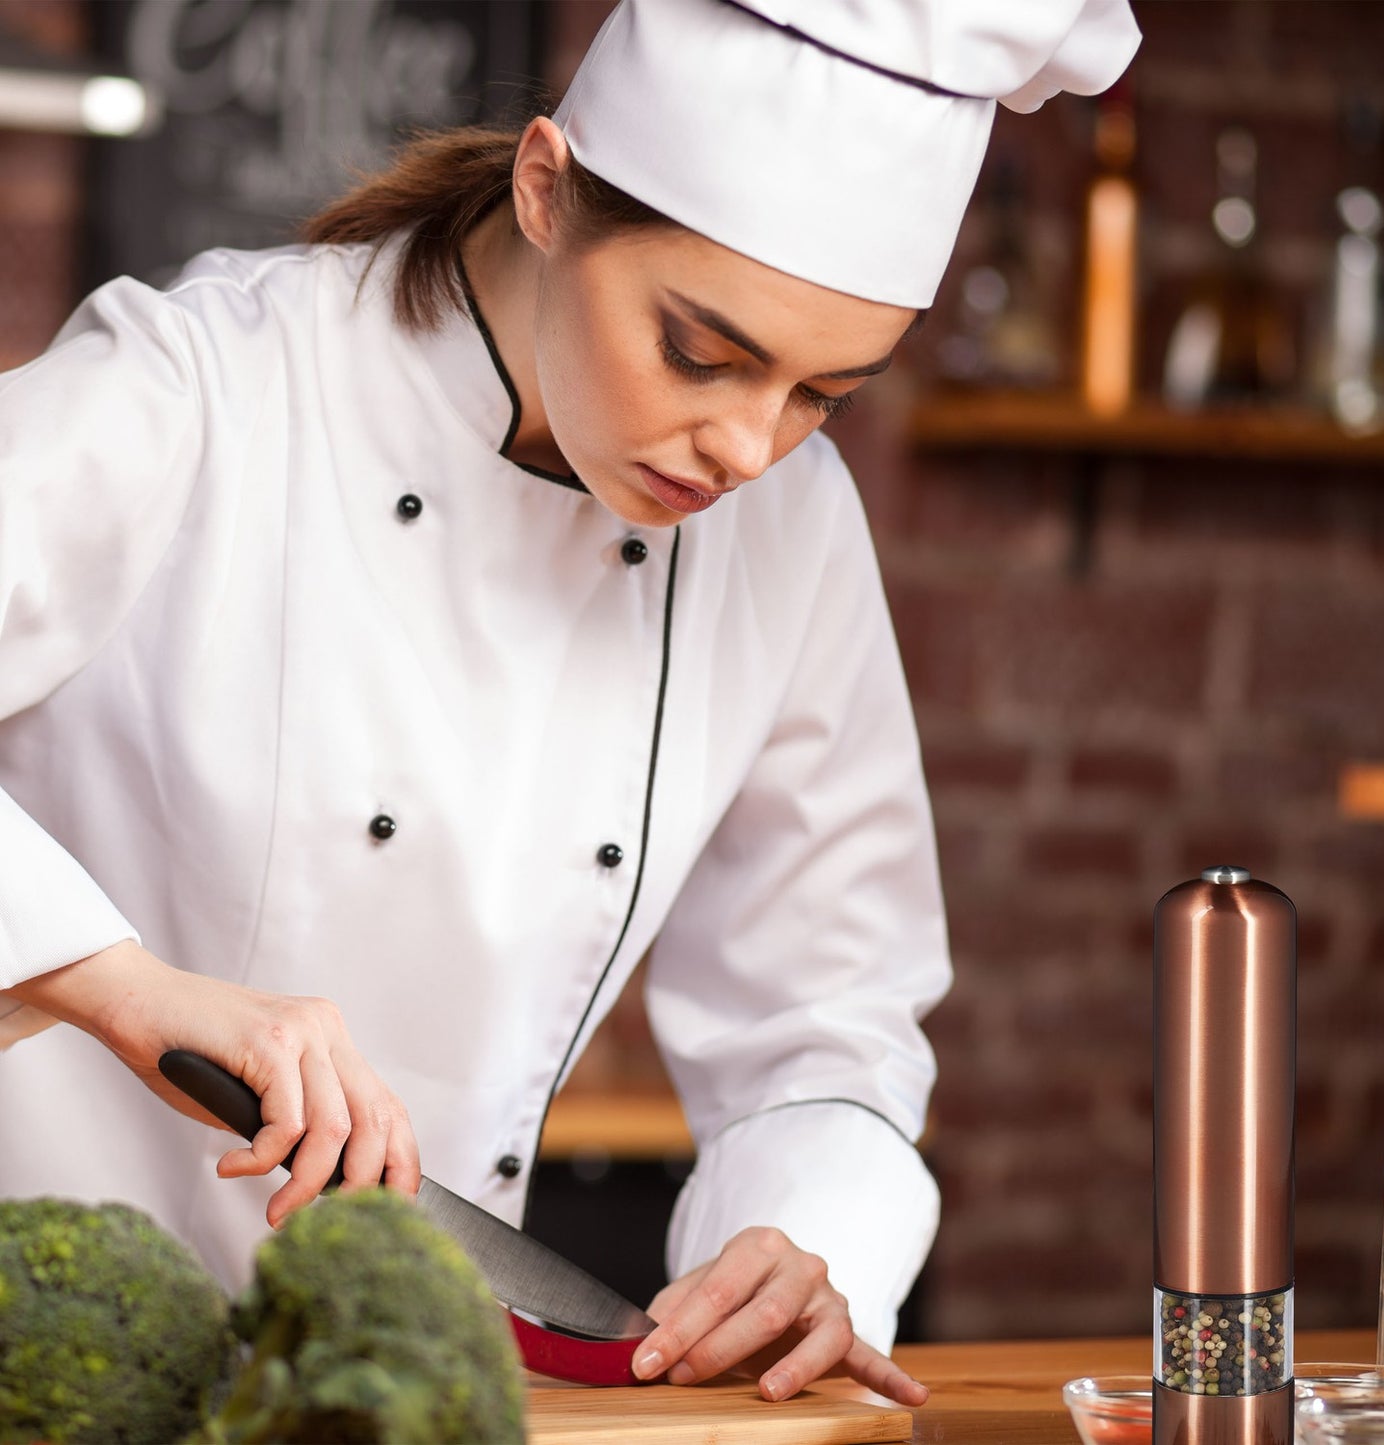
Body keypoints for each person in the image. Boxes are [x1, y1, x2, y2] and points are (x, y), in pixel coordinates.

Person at [0, 0, 1138, 1405]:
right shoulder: (210, 387)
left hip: (404, 1392)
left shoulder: (789, 531)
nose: (745, 445)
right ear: (545, 188)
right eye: (700, 352)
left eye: (822, 393)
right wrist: (122, 989)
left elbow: (826, 1015)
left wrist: (795, 1243)